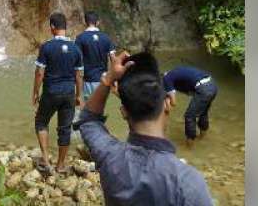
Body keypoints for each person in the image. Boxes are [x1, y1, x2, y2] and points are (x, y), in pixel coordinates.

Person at [74, 51, 213, 205]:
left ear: (123, 112)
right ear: (167, 104)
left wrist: (108, 79)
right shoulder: (187, 182)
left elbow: (88, 120)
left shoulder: (108, 155)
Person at [32, 12, 84, 175]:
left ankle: (46, 160)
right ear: (65, 27)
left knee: (41, 122)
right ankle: (61, 165)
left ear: (52, 27)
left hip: (51, 92)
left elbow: (39, 73)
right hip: (69, 93)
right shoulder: (76, 48)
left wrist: (35, 92)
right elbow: (79, 75)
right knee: (65, 129)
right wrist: (78, 95)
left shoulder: (47, 47)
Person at [162, 65, 218, 146]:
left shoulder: (166, 78)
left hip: (203, 89)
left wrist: (167, 106)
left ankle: (190, 145)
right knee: (202, 112)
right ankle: (203, 137)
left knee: (189, 116)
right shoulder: (176, 73)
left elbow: (173, 103)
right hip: (212, 85)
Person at [75, 11, 116, 101]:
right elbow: (113, 59)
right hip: (103, 80)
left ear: (85, 22)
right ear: (98, 22)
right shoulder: (106, 37)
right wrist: (114, 79)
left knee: (88, 109)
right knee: (99, 108)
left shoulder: (80, 38)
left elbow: (77, 61)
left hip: (88, 80)